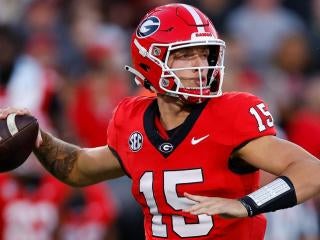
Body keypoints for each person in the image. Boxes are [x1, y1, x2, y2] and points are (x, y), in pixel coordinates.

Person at [1, 3, 320, 239]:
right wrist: (39, 139)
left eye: (204, 54)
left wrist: (247, 204)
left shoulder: (231, 114)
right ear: (150, 62)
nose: (200, 65)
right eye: (185, 55)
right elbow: (79, 167)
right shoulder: (132, 120)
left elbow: (311, 170)